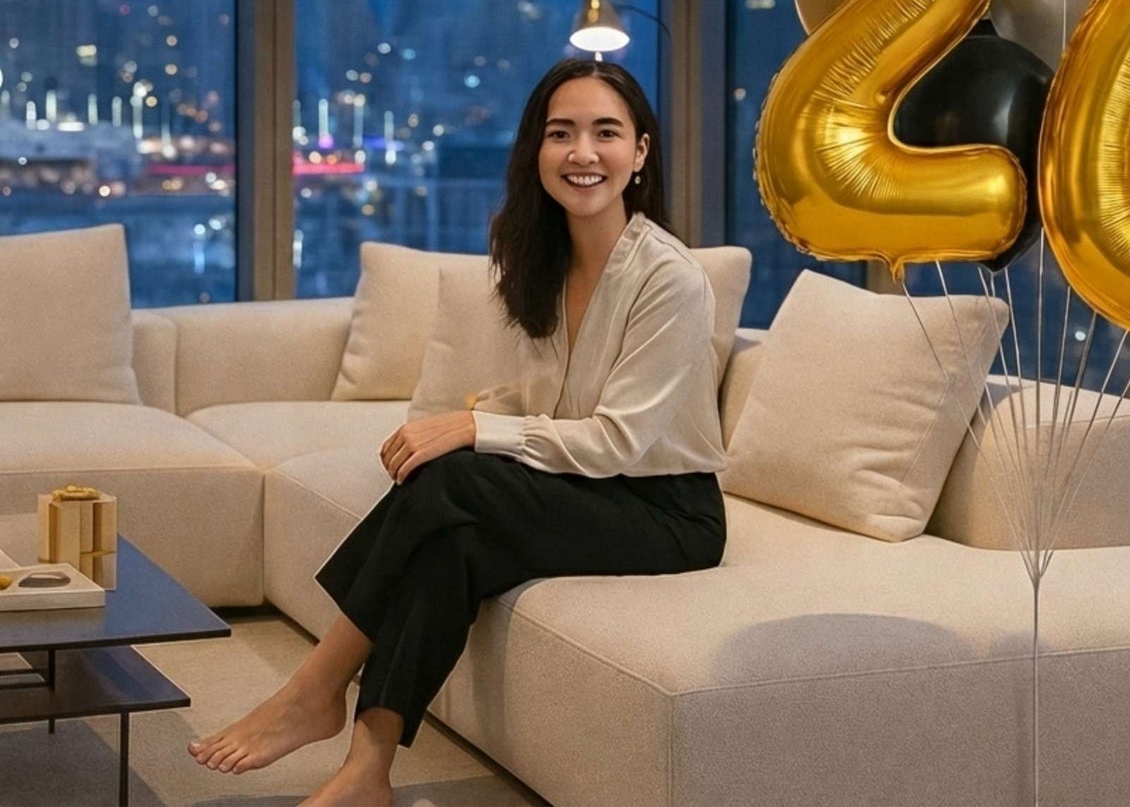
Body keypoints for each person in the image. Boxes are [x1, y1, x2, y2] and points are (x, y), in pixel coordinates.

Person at [188, 58, 728, 805]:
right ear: (534, 152)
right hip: (585, 486)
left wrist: (476, 428)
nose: (582, 153)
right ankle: (367, 769)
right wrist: (476, 418)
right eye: (560, 133)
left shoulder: (668, 277)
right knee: (454, 534)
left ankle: (312, 688)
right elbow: (553, 397)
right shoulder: (538, 261)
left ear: (639, 152)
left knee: (453, 477)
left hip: (667, 510)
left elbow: (616, 441)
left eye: (605, 133)